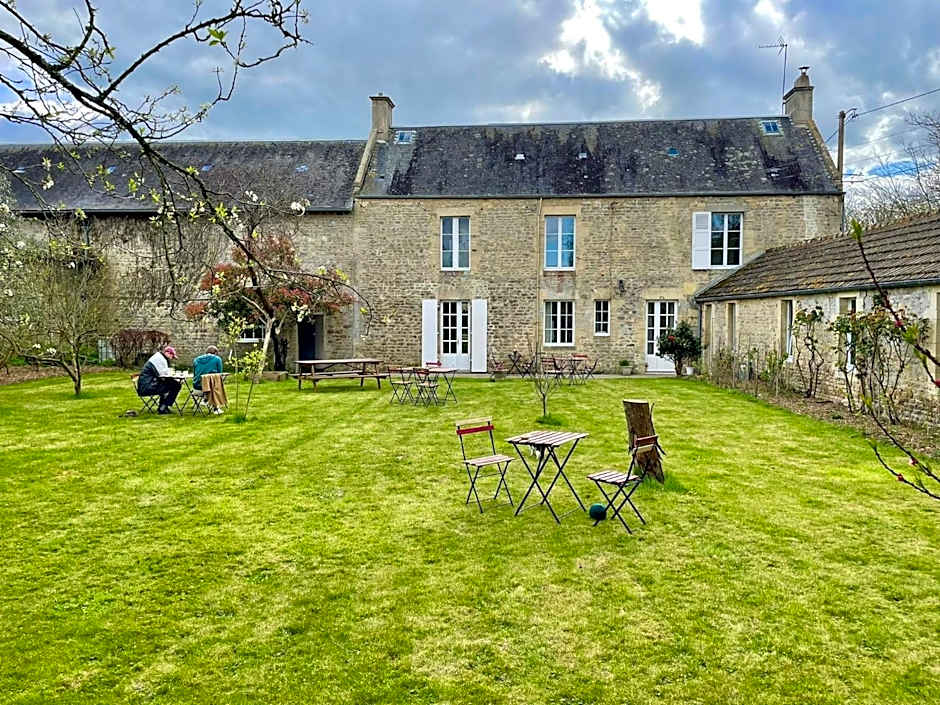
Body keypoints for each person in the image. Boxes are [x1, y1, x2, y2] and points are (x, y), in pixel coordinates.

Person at [137, 345, 182, 414]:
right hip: (147, 387)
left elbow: (162, 376)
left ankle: (163, 406)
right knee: (176, 385)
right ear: (168, 353)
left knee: (172, 384)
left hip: (147, 384)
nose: (172, 358)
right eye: (172, 356)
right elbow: (163, 375)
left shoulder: (158, 357)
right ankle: (163, 407)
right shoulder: (160, 359)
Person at [192, 345, 226, 414]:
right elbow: (219, 374)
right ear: (216, 353)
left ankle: (205, 399)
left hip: (196, 386)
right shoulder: (217, 359)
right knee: (216, 381)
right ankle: (216, 408)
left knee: (211, 381)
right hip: (209, 388)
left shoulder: (196, 359)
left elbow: (195, 373)